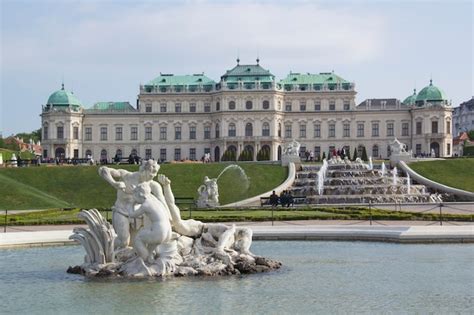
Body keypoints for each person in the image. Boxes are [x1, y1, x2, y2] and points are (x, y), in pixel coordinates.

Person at [99, 159, 170, 249]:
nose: (153, 176)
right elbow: (103, 169)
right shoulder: (127, 176)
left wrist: (169, 218)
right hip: (121, 211)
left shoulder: (153, 185)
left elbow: (162, 201)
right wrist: (114, 183)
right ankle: (102, 245)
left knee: (134, 244)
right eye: (152, 173)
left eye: (155, 174)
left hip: (138, 217)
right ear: (144, 170)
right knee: (124, 242)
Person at [129, 183, 172, 264]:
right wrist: (135, 189)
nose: (134, 198)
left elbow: (132, 215)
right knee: (150, 239)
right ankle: (150, 257)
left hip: (159, 232)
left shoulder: (145, 205)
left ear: (140, 195)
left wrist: (131, 204)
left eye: (134, 196)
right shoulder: (155, 200)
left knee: (138, 238)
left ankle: (144, 260)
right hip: (168, 231)